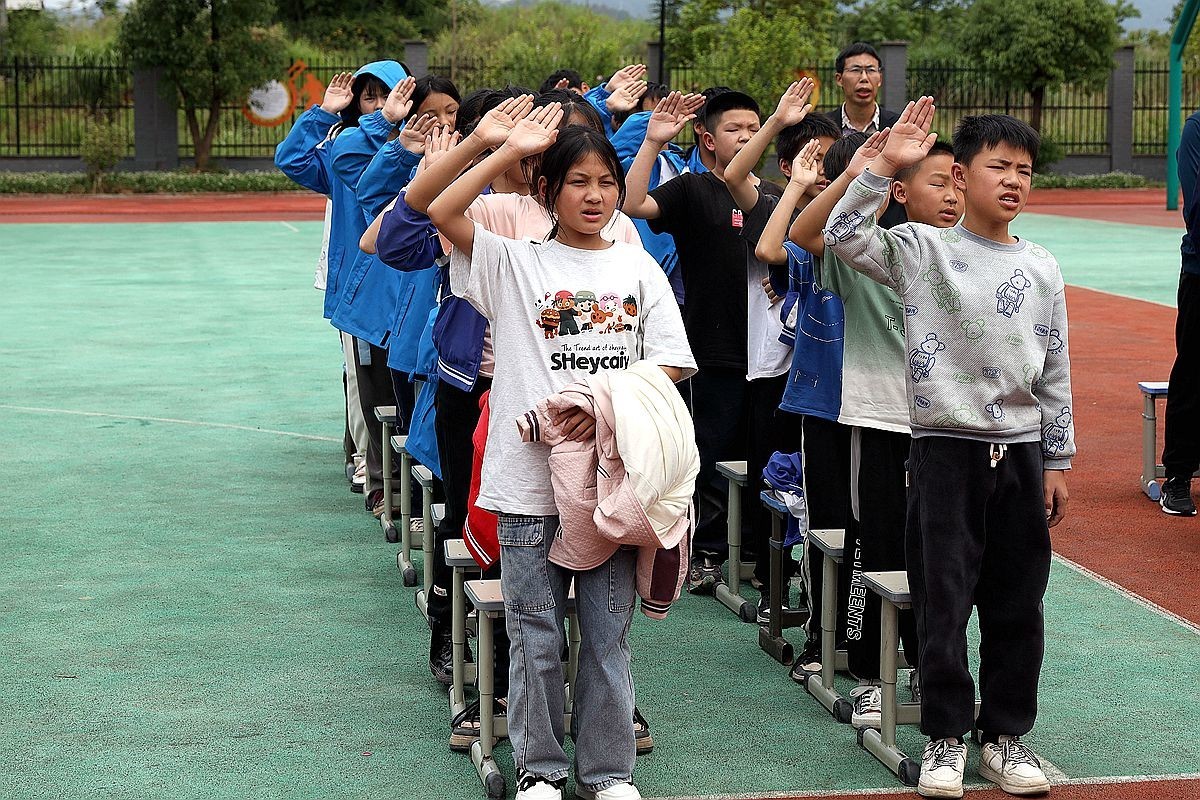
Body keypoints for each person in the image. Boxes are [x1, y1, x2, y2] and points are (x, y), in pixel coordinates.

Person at [428, 106, 696, 800]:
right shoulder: (513, 263)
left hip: (612, 486)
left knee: (607, 639)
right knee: (535, 637)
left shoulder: (640, 269)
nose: (595, 195)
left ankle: (609, 775)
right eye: (576, 180)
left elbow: (670, 362)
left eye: (606, 181)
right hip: (526, 487)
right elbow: (437, 204)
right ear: (546, 189)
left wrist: (599, 407)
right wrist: (495, 148)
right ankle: (540, 771)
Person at [824, 99, 1072, 799]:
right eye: (999, 167)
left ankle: (1005, 736)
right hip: (943, 453)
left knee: (1018, 602)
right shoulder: (920, 250)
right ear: (960, 177)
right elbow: (841, 234)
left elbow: (1054, 369)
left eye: (1025, 170)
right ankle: (942, 736)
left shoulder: (1044, 266)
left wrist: (1058, 460)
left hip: (1022, 454)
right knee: (942, 600)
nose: (1014, 181)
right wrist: (881, 165)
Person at [789, 134, 962, 723]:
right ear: (899, 193)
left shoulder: (974, 260)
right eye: (937, 182)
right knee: (877, 547)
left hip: (950, 430)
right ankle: (871, 673)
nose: (951, 194)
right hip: (883, 420)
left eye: (959, 182)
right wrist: (865, 168)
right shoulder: (873, 254)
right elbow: (805, 234)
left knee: (942, 554)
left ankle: (927, 669)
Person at [623, 89, 783, 592]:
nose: (747, 135)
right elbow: (631, 203)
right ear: (708, 138)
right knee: (710, 453)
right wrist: (651, 143)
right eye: (736, 128)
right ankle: (708, 552)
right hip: (712, 344)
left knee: (761, 454)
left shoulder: (774, 195)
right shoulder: (692, 188)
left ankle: (758, 555)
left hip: (770, 350)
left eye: (755, 127)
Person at [274, 62, 410, 510]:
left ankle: (395, 477)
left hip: (410, 288)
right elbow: (291, 159)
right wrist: (323, 113)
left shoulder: (424, 151)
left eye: (384, 96)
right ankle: (373, 473)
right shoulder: (347, 150)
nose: (377, 105)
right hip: (363, 293)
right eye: (367, 98)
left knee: (405, 386)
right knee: (363, 383)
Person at [721, 79, 821, 622]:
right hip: (772, 369)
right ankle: (770, 580)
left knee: (817, 484)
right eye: (810, 159)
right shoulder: (770, 205)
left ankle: (812, 585)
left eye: (831, 162)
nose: (819, 170)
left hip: (826, 378)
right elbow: (733, 174)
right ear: (787, 165)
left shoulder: (850, 220)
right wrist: (777, 122)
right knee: (773, 479)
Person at [1161, 107, 1200, 515]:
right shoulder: (1197, 128)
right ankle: (1178, 473)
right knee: (1193, 371)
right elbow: (1197, 205)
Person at [824, 42, 900, 138]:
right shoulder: (824, 127)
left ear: (880, 79)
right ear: (839, 79)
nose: (864, 78)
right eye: (855, 70)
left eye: (871, 70)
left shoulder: (897, 126)